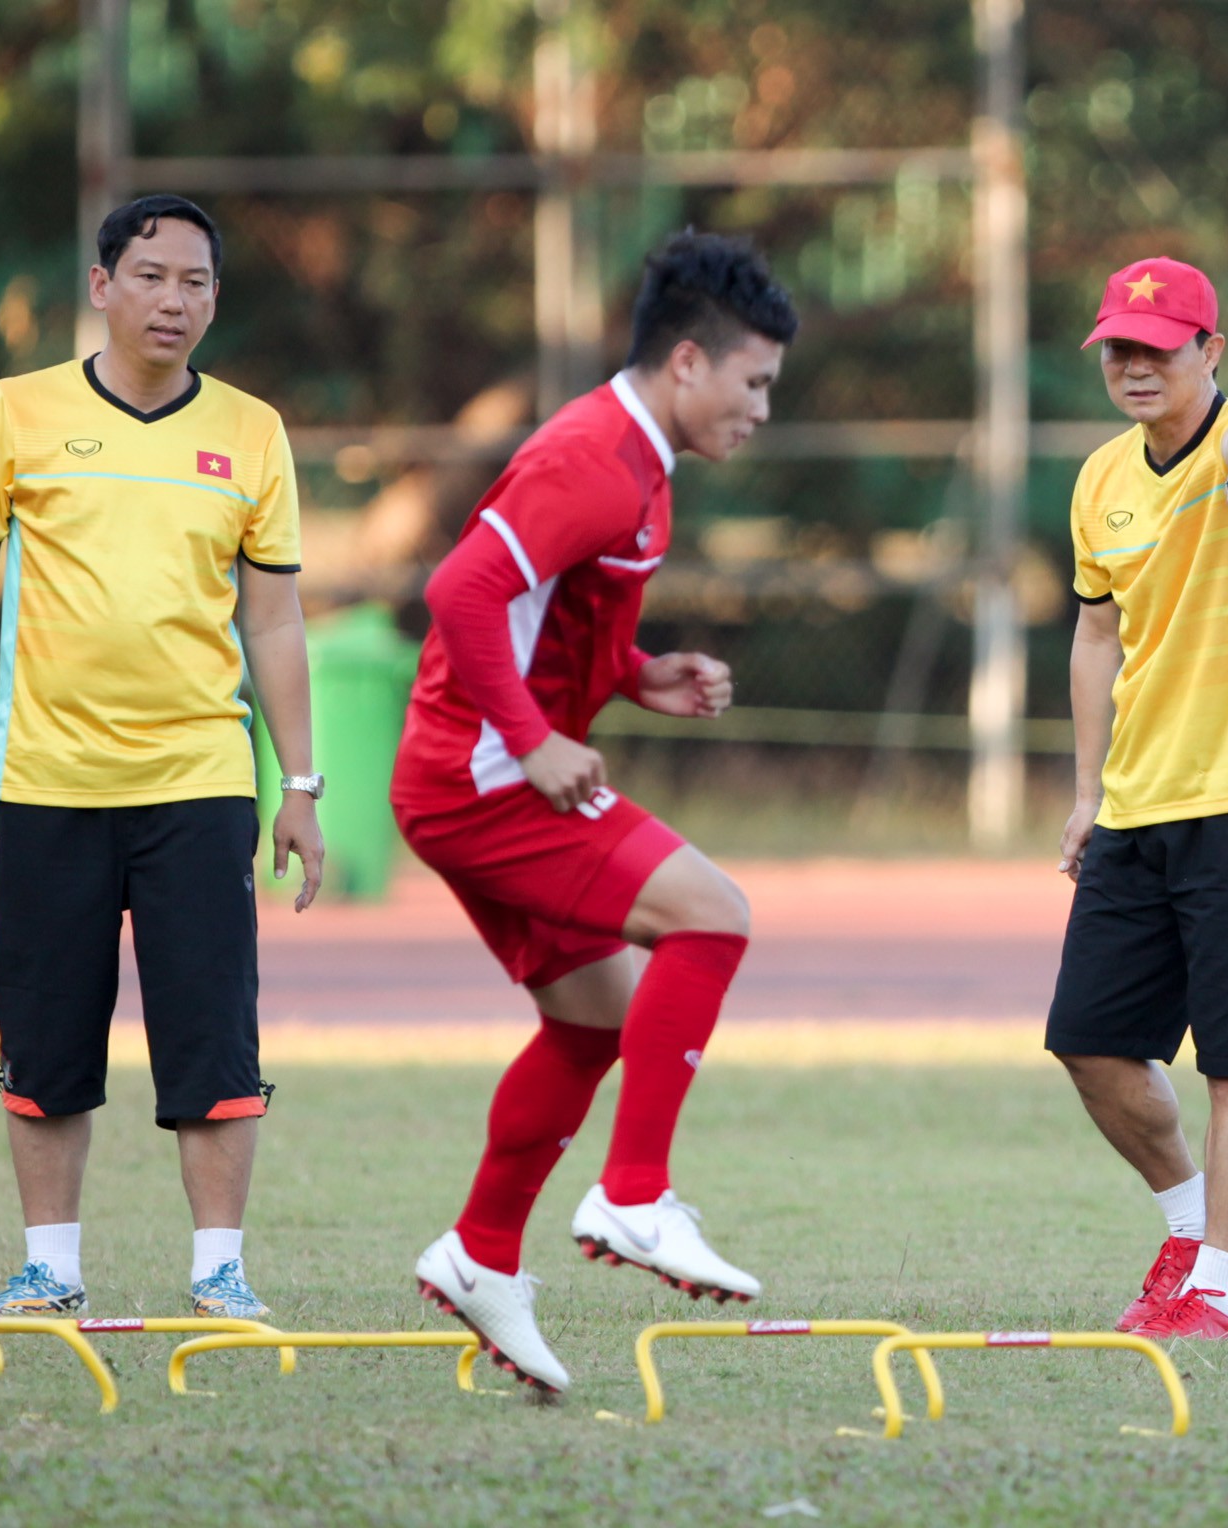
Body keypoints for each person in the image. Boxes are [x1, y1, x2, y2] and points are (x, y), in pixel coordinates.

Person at [0, 195, 325, 1322]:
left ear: (215, 298)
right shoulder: (17, 414)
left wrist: (302, 785)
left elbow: (272, 621)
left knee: (214, 1039)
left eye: (195, 282)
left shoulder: (254, 432)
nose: (173, 299)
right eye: (150, 277)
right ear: (101, 286)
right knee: (43, 1040)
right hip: (46, 781)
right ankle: (51, 1267)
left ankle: (219, 1274)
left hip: (201, 783)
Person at [392, 229, 798, 1393]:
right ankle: (632, 1196)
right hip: (479, 779)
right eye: (754, 381)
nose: (762, 408)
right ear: (687, 361)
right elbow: (459, 590)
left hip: (476, 775)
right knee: (712, 917)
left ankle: (478, 1253)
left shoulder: (639, 461)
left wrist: (637, 675)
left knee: (592, 1025)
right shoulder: (592, 459)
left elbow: (555, 617)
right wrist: (532, 739)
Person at [1046, 255, 1228, 1341]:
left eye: (1155, 350)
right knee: (1088, 1042)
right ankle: (1183, 1224)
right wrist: (1086, 792)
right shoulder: (1097, 481)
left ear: (1208, 352)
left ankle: (1212, 1287)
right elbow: (1093, 631)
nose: (1131, 366)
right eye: (1116, 348)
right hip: (1133, 808)